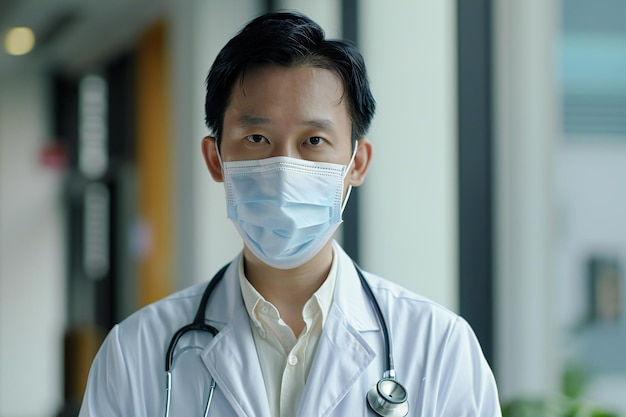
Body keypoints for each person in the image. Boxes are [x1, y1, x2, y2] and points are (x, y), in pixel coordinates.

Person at [79, 10, 501, 417]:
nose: (283, 169)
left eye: (313, 141)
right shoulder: (135, 351)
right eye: (257, 138)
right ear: (215, 160)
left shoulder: (439, 345)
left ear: (356, 163)